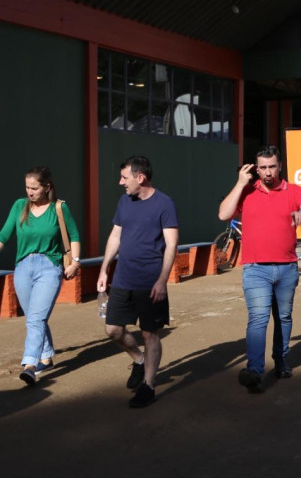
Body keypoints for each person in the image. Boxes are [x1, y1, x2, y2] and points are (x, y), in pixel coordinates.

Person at [218, 145, 301, 393]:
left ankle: (281, 360)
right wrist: (240, 183)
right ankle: (254, 370)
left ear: (280, 166)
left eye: (271, 166)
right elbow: (223, 214)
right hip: (256, 269)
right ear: (255, 169)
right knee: (258, 318)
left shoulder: (292, 190)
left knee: (283, 317)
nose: (267, 172)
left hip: (287, 268)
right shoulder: (247, 191)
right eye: (262, 167)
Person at [97, 156, 179, 408]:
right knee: (113, 329)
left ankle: (148, 386)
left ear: (140, 177)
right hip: (123, 278)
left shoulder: (164, 204)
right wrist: (104, 269)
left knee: (149, 333)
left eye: (124, 177)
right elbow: (116, 235)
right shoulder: (124, 201)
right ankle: (139, 359)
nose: (120, 182)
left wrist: (162, 280)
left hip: (150, 281)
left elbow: (171, 244)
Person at [0, 167, 81, 386]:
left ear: (46, 187)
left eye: (34, 188)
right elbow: (4, 234)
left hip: (49, 267)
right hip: (23, 268)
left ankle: (30, 365)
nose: (30, 192)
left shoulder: (59, 208)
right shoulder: (20, 206)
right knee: (34, 317)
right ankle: (46, 355)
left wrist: (75, 262)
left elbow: (74, 235)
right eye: (27, 187)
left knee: (36, 318)